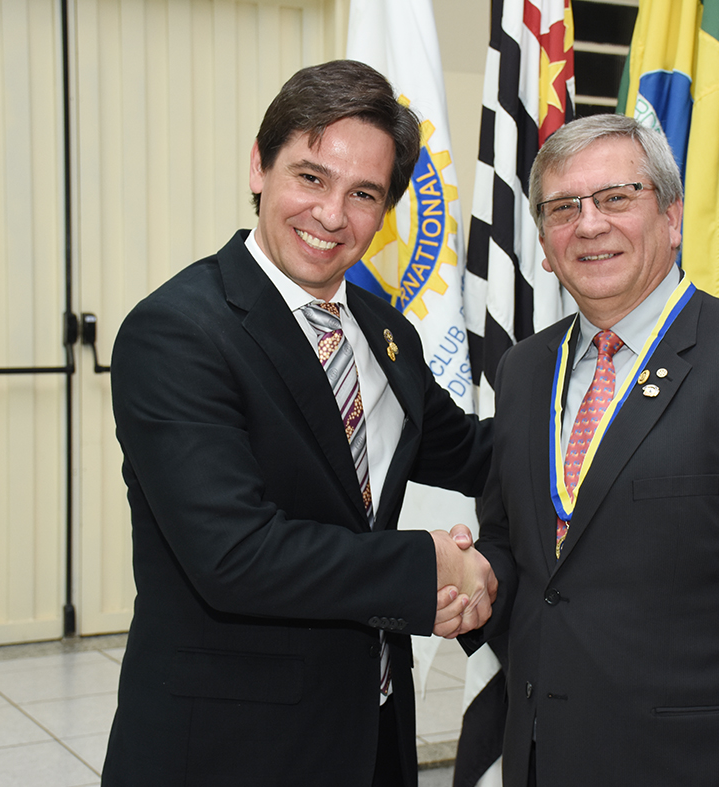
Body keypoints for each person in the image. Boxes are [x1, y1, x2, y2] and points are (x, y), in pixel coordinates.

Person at [102, 60, 495, 787]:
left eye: (363, 194)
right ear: (259, 166)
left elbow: (473, 453)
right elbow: (236, 555)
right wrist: (429, 565)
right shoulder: (178, 332)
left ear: (386, 211)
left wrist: (597, 403)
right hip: (231, 749)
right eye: (311, 177)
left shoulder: (385, 332)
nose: (331, 214)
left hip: (371, 731)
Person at [461, 114, 719, 786]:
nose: (589, 224)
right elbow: (525, 549)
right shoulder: (524, 370)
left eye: (616, 198)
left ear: (672, 217)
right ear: (543, 243)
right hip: (543, 759)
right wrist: (473, 580)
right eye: (563, 208)